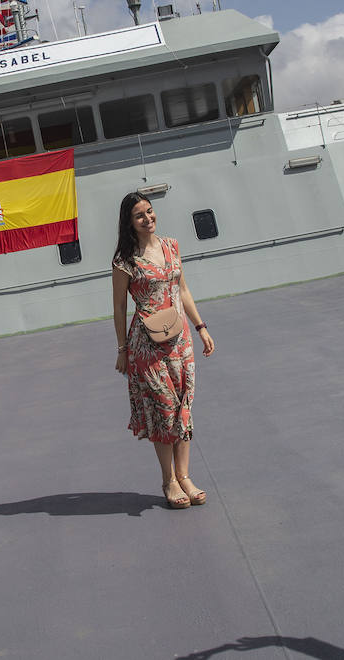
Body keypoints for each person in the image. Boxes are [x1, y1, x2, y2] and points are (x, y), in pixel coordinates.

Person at [112, 191, 216, 510]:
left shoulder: (171, 246)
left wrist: (201, 327)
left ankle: (184, 476)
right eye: (140, 215)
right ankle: (168, 481)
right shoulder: (124, 261)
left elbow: (182, 289)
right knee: (163, 410)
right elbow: (118, 308)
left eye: (150, 211)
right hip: (147, 345)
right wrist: (122, 349)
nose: (148, 218)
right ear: (129, 223)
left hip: (180, 340)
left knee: (183, 407)